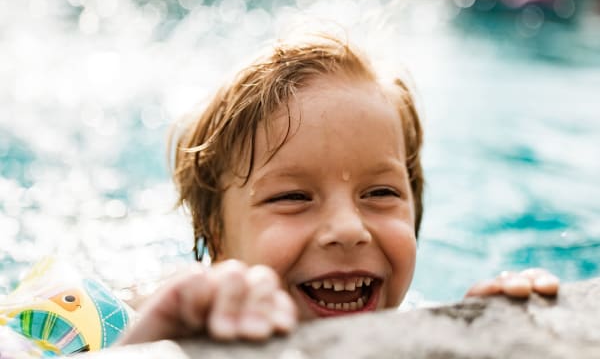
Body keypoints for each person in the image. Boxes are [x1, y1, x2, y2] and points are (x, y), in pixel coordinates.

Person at [118, 33, 560, 345]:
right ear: (216, 238)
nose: (349, 230)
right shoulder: (143, 322)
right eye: (292, 197)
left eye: (381, 193)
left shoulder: (414, 329)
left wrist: (488, 333)